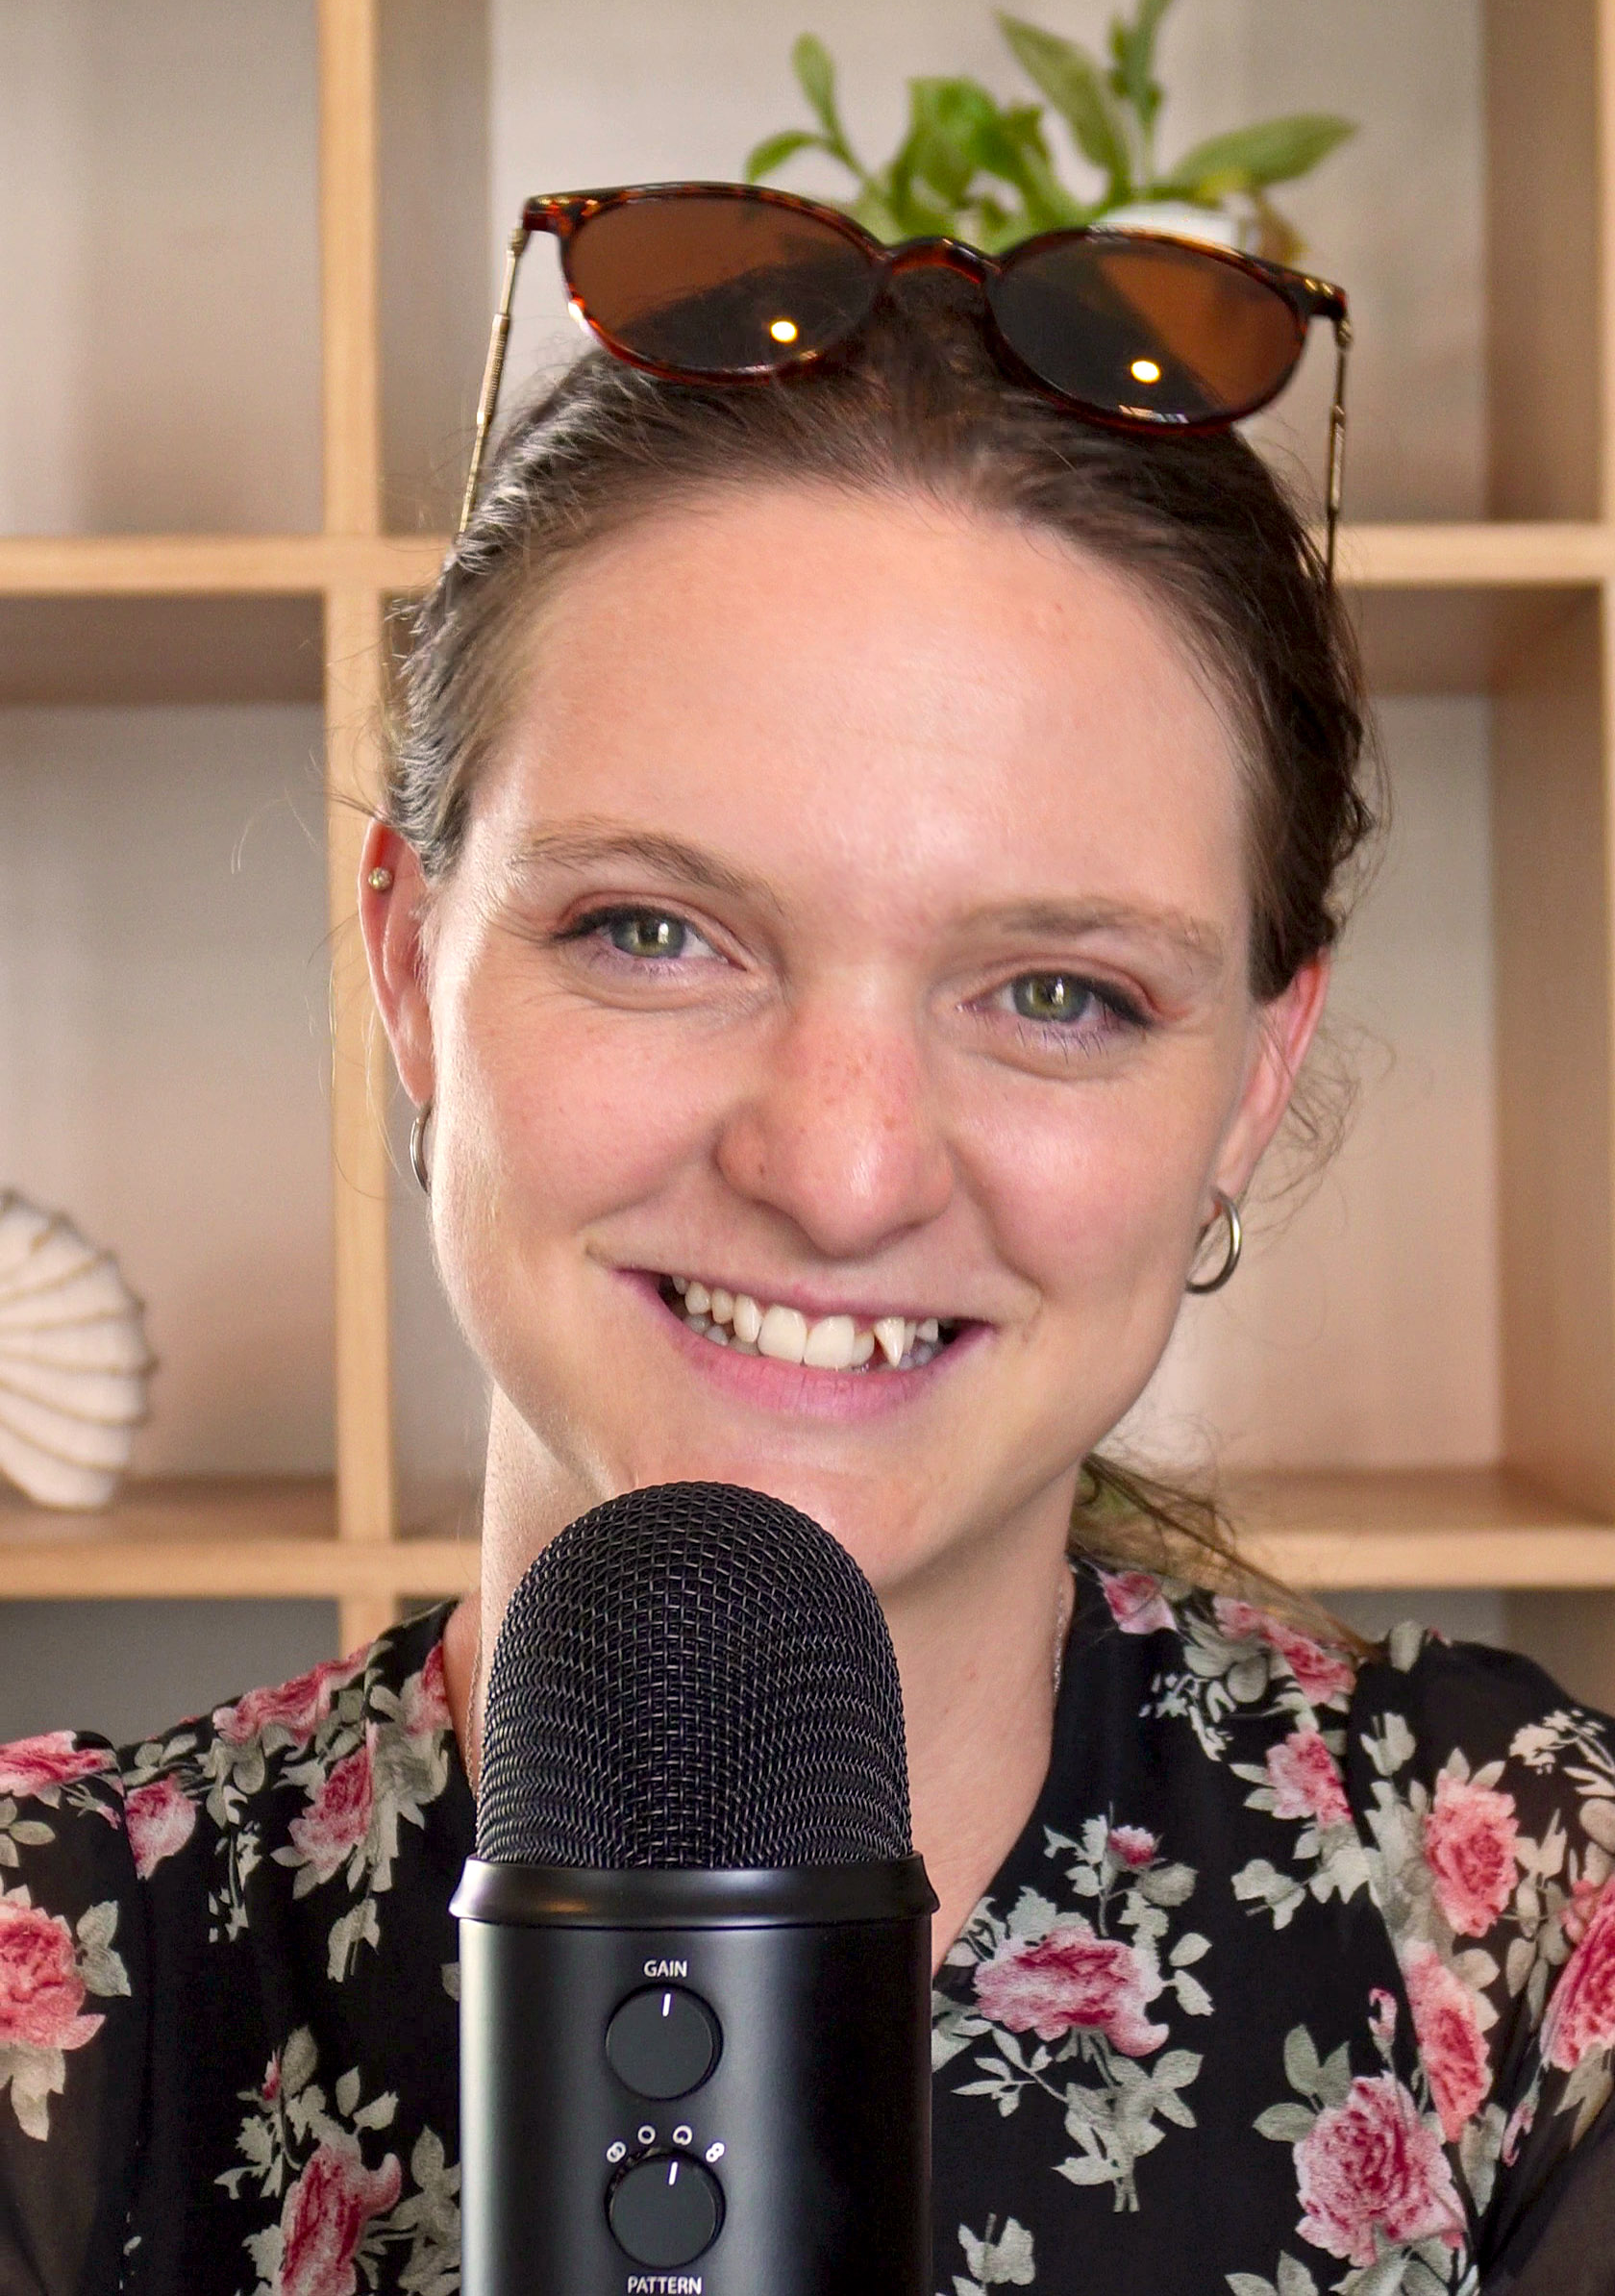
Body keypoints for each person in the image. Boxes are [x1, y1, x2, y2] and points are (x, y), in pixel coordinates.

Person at [3, 198, 1612, 2296]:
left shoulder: (1530, 1935)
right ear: (410, 964)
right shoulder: (53, 1978)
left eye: (1060, 991)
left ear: (1250, 1080)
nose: (843, 1173)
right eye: (654, 931)